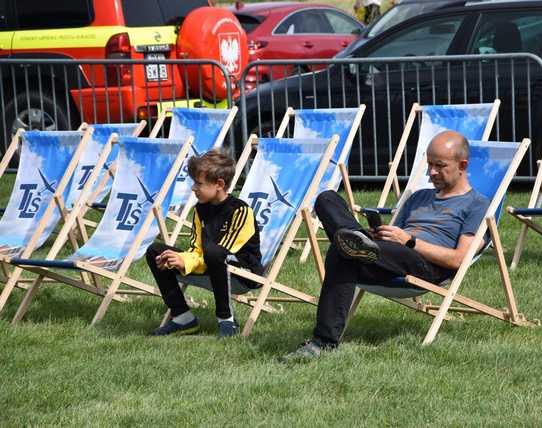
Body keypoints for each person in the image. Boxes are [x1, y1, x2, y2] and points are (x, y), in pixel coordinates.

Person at [284, 130, 490, 359]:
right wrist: (380, 234)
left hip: (424, 265)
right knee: (327, 199)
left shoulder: (477, 205)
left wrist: (409, 241)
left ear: (462, 165)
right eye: (430, 164)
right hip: (389, 256)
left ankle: (322, 343)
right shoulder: (418, 196)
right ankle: (356, 240)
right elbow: (395, 237)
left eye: (440, 166)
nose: (431, 172)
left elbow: (459, 259)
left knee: (342, 250)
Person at [146, 150, 262, 337]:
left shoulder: (240, 211)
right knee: (155, 251)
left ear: (219, 184)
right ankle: (183, 319)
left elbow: (224, 252)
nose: (193, 188)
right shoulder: (201, 210)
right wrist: (180, 258)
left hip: (242, 275)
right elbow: (196, 249)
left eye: (199, 183)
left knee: (215, 252)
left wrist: (187, 262)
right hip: (211, 268)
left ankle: (227, 321)